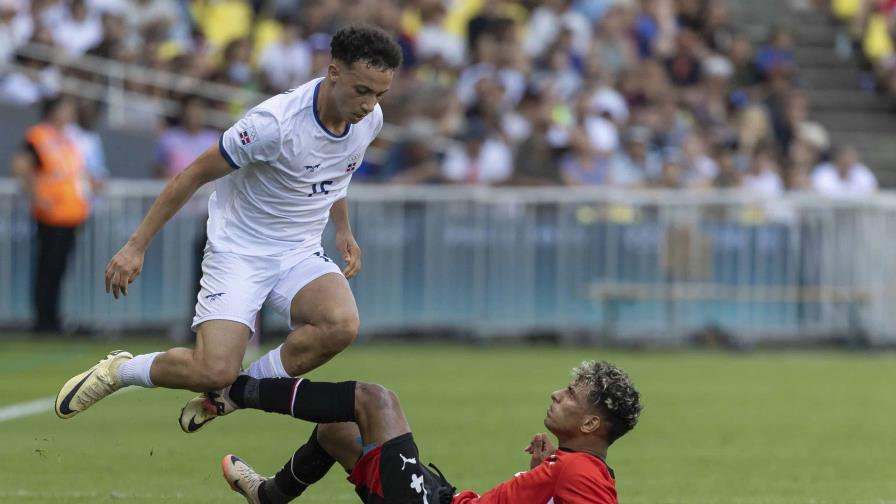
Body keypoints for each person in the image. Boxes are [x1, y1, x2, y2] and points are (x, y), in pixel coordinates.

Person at [54, 25, 402, 430]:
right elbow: (192, 175)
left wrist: (343, 229)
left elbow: (334, 172)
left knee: (341, 325)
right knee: (213, 370)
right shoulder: (272, 124)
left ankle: (236, 394)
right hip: (239, 250)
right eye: (362, 90)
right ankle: (122, 370)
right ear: (334, 72)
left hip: (299, 250)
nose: (370, 104)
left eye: (380, 94)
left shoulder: (369, 120)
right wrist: (135, 245)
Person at [217, 360, 642, 503]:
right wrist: (537, 477)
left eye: (569, 394)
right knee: (337, 431)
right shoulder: (569, 465)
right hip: (445, 497)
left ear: (590, 424)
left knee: (376, 401)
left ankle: (237, 389)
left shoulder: (583, 473)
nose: (556, 394)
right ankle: (269, 495)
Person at [11, 95, 92, 332]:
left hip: (70, 213)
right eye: (65, 108)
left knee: (58, 268)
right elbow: (20, 166)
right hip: (51, 213)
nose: (70, 113)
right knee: (48, 267)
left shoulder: (67, 139)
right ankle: (43, 319)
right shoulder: (38, 136)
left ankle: (53, 317)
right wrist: (36, 196)